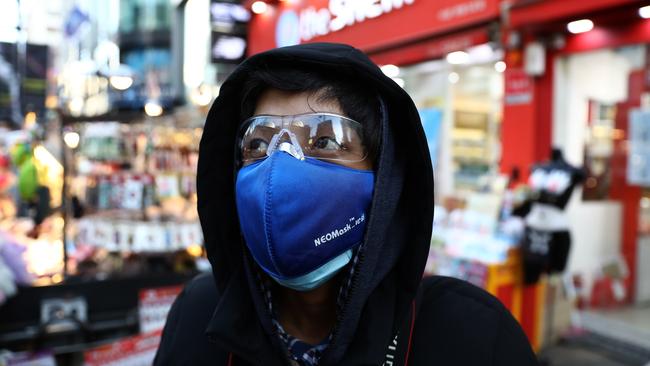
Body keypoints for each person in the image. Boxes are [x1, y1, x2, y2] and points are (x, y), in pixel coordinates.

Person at [155, 43, 538, 366]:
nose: (280, 169)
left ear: (384, 175)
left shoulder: (468, 335)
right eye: (257, 145)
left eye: (324, 142)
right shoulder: (197, 316)